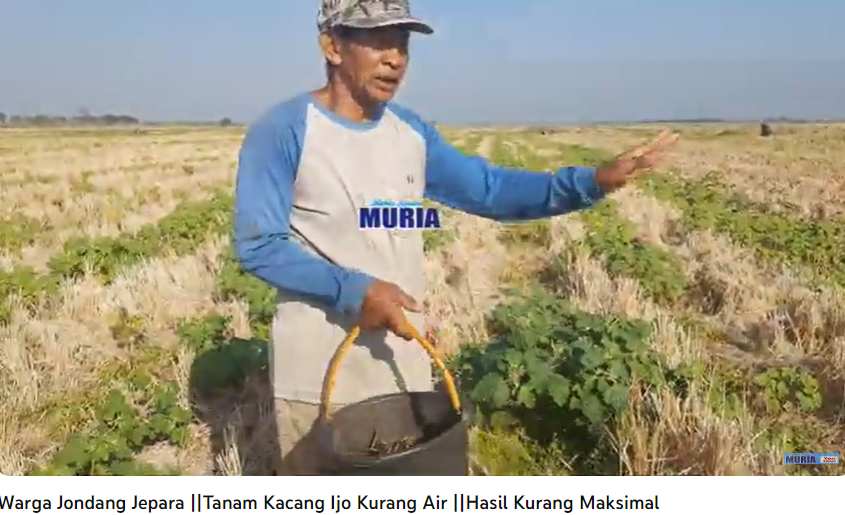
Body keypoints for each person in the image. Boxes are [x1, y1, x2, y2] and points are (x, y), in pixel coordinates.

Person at [233, 0, 679, 475]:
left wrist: (591, 182)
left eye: (402, 44)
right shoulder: (284, 130)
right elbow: (259, 245)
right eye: (377, 41)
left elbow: (489, 190)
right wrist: (355, 290)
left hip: (403, 364)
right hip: (322, 375)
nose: (395, 58)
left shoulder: (410, 133)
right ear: (332, 46)